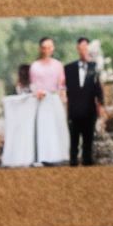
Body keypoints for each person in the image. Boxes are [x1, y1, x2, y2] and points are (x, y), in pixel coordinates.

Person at [64, 36, 108, 167]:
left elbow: (98, 88)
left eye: (86, 48)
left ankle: (87, 167)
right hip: (74, 111)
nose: (84, 50)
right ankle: (73, 166)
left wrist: (101, 105)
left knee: (88, 143)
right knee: (73, 143)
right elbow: (63, 89)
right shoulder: (68, 68)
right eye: (81, 47)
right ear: (77, 48)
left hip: (90, 111)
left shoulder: (94, 67)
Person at [28, 36, 68, 165]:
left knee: (57, 126)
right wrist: (36, 92)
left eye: (49, 47)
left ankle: (58, 155)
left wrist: (64, 100)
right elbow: (32, 85)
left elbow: (61, 85)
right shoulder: (35, 66)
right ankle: (43, 156)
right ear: (40, 49)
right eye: (44, 47)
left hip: (54, 99)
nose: (47, 50)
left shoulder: (58, 65)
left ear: (53, 48)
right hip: (41, 100)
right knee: (43, 128)